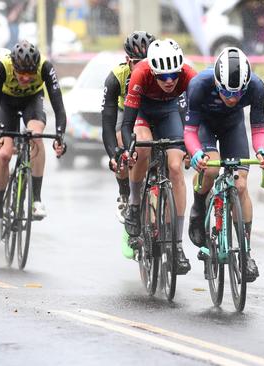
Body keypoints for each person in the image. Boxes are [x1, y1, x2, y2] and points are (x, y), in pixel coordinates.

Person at [184, 47, 264, 282]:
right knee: (211, 168)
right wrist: (195, 153)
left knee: (241, 185)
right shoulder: (198, 85)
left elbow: (258, 129)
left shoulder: (256, 87)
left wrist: (262, 150)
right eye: (225, 92)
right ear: (216, 81)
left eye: (237, 94)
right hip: (203, 126)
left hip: (232, 127)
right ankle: (199, 206)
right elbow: (190, 131)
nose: (232, 98)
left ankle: (245, 254)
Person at [120, 38, 197, 274]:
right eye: (162, 76)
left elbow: (195, 118)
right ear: (152, 70)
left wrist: (191, 149)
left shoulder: (189, 75)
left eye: (173, 75)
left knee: (175, 167)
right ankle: (134, 203)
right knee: (142, 148)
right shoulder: (140, 73)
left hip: (170, 112)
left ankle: (177, 245)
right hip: (143, 112)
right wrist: (128, 147)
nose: (169, 80)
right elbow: (127, 123)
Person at [0, 40, 67, 244]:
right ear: (14, 65)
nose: (24, 78)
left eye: (29, 74)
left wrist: (59, 135)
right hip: (6, 103)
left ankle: (36, 199)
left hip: (32, 101)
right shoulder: (2, 66)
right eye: (21, 73)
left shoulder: (46, 67)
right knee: (4, 154)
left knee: (36, 137)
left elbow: (58, 104)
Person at [101, 31, 154, 258]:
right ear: (127, 60)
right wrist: (115, 153)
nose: (141, 67)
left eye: (147, 63)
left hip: (151, 111)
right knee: (124, 145)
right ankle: (125, 195)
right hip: (126, 113)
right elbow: (108, 122)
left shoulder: (161, 72)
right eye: (136, 63)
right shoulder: (116, 77)